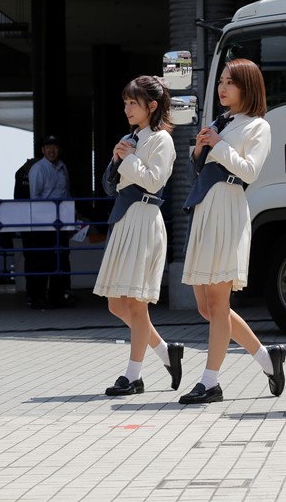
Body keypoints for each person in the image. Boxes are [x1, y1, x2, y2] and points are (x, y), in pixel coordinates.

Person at [178, 59, 286, 404]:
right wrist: (200, 149)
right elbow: (197, 170)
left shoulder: (258, 127)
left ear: (247, 87)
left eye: (230, 82)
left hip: (228, 206)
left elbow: (250, 171)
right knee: (207, 307)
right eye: (221, 81)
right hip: (205, 208)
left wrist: (219, 145)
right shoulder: (220, 122)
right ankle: (266, 358)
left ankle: (210, 381)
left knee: (218, 302)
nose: (222, 88)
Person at [94, 76, 184, 396]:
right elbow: (109, 186)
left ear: (152, 106)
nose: (127, 108)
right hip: (124, 218)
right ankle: (166, 352)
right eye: (126, 103)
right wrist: (116, 159)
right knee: (116, 304)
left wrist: (127, 159)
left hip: (145, 218)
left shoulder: (162, 140)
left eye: (133, 102)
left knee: (135, 303)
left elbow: (154, 180)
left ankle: (134, 375)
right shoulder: (129, 138)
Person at [25, 134, 73, 309]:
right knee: (42, 259)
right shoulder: (38, 169)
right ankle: (37, 297)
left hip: (61, 221)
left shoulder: (62, 167)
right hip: (44, 222)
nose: (51, 150)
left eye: (55, 147)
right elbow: (35, 197)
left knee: (62, 258)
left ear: (59, 150)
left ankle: (58, 295)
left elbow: (66, 193)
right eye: (48, 147)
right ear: (43, 150)